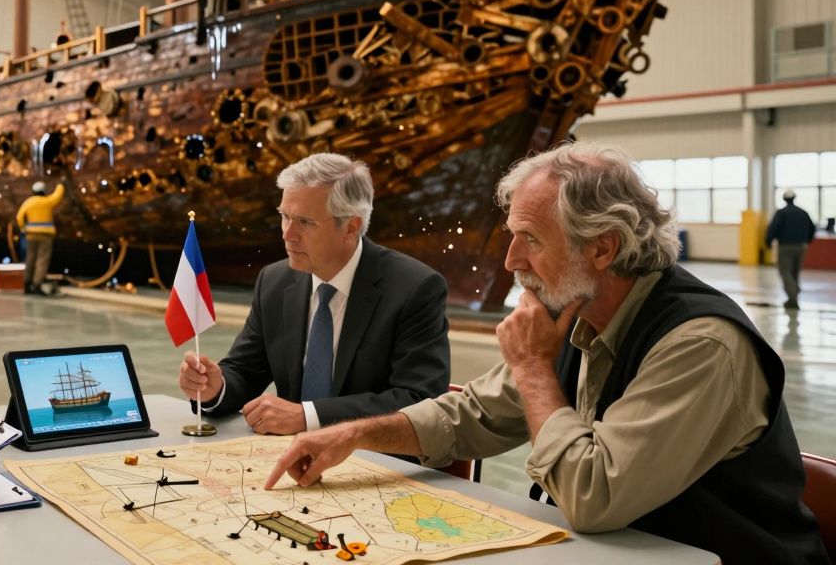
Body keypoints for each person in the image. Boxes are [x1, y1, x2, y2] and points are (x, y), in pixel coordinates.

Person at [265, 143, 826, 564]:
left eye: (530, 238)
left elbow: (594, 496)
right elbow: (471, 414)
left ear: (602, 248)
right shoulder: (577, 315)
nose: (511, 260)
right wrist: (353, 435)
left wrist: (533, 368)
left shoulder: (699, 345)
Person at [177, 153, 450, 435]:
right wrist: (214, 387)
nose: (287, 234)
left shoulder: (416, 288)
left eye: (305, 222)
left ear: (350, 226)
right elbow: (246, 371)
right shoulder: (274, 280)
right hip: (287, 458)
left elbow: (420, 401)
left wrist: (308, 416)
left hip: (377, 461)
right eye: (284, 216)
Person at [766, 189, 816, 309]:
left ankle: (793, 296)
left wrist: (768, 241)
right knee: (795, 272)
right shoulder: (803, 212)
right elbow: (812, 228)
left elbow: (773, 228)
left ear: (784, 199)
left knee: (785, 272)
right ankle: (794, 295)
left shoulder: (781, 213)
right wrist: (807, 241)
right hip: (801, 246)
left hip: (785, 247)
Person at [16, 180, 64, 295]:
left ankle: (26, 284)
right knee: (42, 260)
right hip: (45, 236)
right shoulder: (47, 201)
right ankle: (37, 284)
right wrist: (61, 184)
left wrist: (23, 228)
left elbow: (19, 217)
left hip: (31, 235)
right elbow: (58, 196)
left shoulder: (28, 202)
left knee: (30, 259)